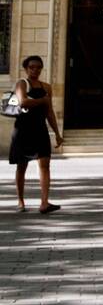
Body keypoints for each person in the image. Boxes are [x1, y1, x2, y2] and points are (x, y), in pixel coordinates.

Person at [9, 55, 62, 213]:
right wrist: (42, 101)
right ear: (26, 69)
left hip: (40, 130)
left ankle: (44, 203)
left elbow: (49, 112)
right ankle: (20, 201)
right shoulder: (22, 83)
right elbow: (23, 101)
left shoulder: (46, 87)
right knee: (21, 166)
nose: (35, 70)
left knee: (45, 165)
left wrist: (57, 134)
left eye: (38, 67)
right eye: (32, 67)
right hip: (23, 130)